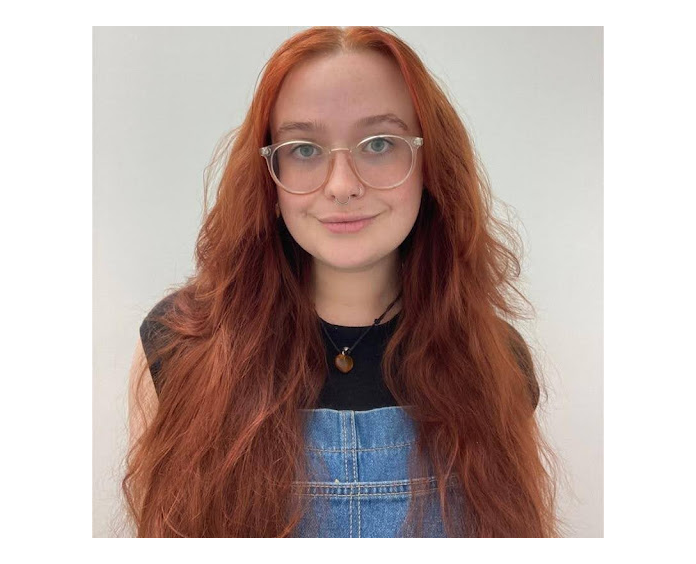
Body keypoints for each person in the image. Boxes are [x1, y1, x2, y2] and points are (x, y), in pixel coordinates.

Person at [123, 26, 560, 538]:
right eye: (304, 150)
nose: (342, 186)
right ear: (270, 172)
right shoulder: (180, 348)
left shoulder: (497, 363)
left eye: (379, 144)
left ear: (430, 163)